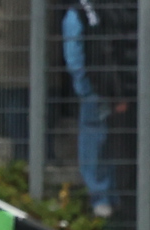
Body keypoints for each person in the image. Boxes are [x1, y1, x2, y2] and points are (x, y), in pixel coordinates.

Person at [62, 0, 132, 218]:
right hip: (96, 89)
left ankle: (110, 196)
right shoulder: (79, 13)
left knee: (108, 142)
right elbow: (74, 57)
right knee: (94, 143)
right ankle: (99, 197)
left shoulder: (101, 9)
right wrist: (85, 88)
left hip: (109, 89)